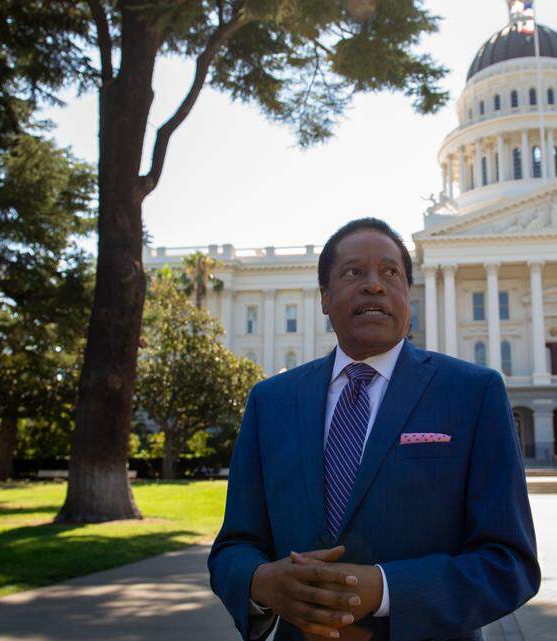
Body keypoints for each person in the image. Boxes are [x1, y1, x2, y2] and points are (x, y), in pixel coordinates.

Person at [209, 218, 539, 640]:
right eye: (353, 272)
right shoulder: (270, 402)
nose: (374, 286)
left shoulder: (473, 394)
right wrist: (261, 583)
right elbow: (233, 546)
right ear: (325, 298)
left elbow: (510, 562)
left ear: (407, 293)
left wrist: (386, 590)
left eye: (390, 273)